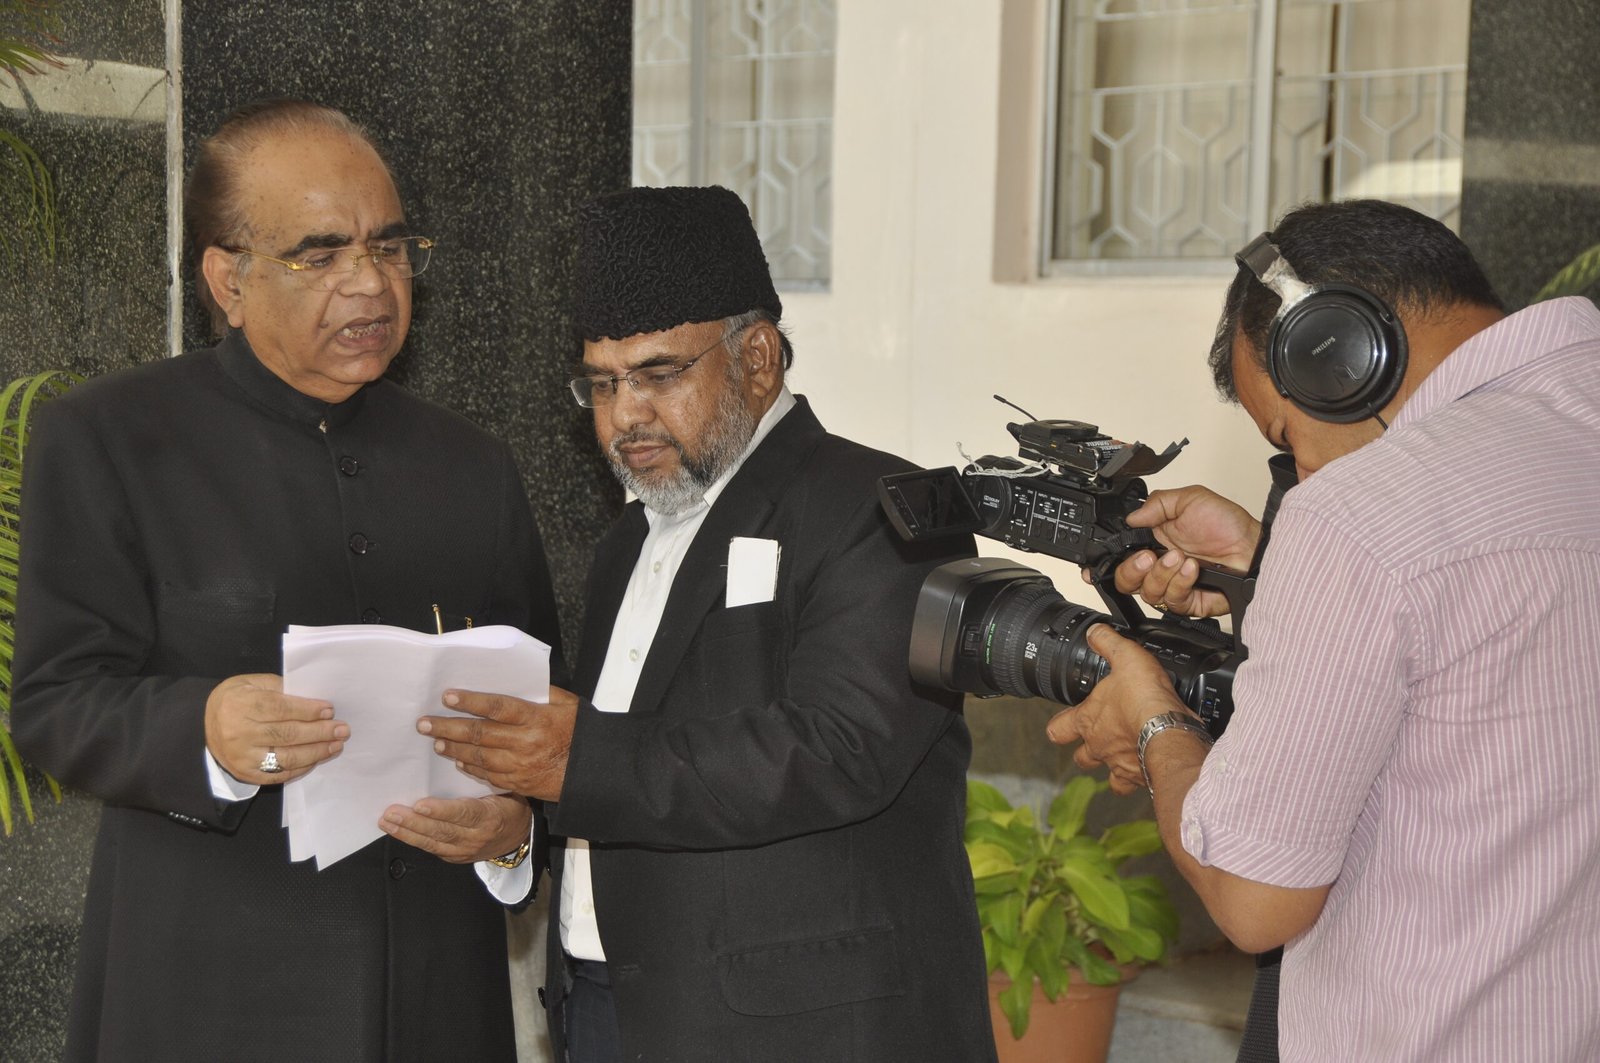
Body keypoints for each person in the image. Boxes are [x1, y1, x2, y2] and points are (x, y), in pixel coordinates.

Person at [10, 99, 564, 1062]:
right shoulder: (111, 438)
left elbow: (547, 717)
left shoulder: (473, 464)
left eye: (389, 247)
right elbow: (55, 703)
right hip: (211, 999)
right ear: (228, 280)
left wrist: (515, 829)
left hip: (436, 999)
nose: (371, 283)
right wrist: (205, 729)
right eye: (321, 255)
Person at [419, 185, 996, 1062]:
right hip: (609, 1007)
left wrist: (575, 760)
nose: (626, 414)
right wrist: (520, 827)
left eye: (659, 374)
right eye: (602, 383)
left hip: (802, 1031)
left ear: (757, 358)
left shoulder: (884, 511)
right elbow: (607, 772)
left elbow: (839, 748)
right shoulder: (625, 544)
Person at [1049, 199, 1600, 1061]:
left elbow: (1253, 897)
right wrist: (1275, 571)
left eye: (1285, 435)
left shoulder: (1357, 516)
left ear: (1339, 353)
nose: (1300, 473)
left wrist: (1155, 722)